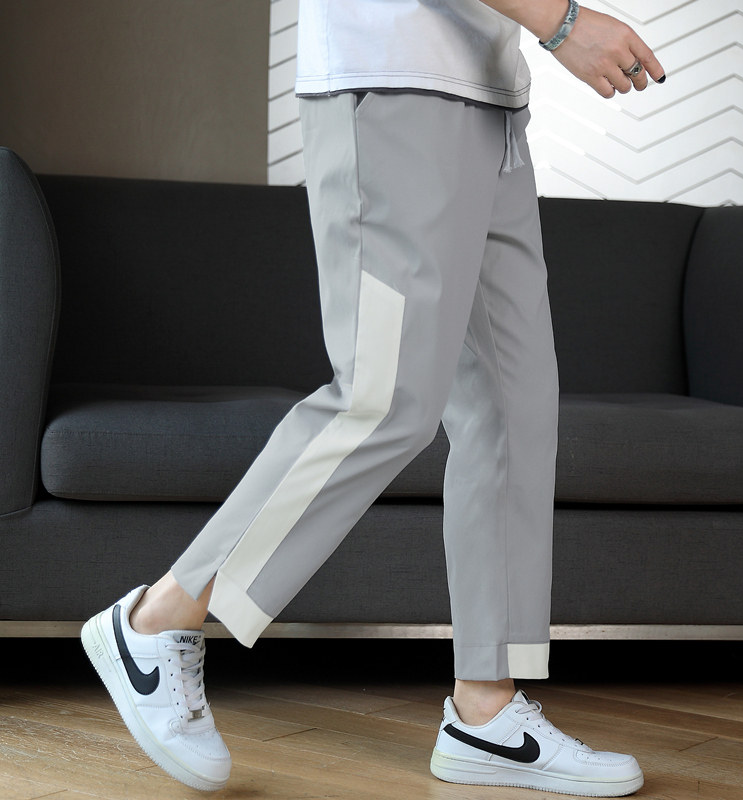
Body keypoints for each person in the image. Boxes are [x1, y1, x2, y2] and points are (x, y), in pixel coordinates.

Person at [81, 0, 665, 795]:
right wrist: (560, 22)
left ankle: (486, 713)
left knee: (512, 410)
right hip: (393, 84)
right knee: (384, 396)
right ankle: (157, 620)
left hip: (489, 92)